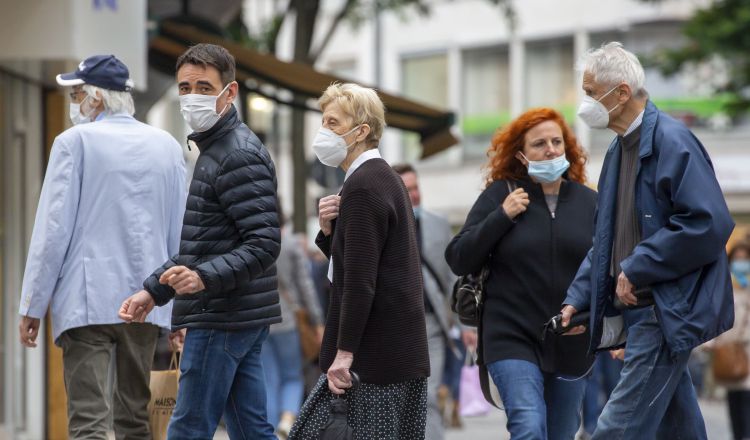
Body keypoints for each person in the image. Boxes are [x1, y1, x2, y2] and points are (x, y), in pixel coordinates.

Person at [561, 42, 735, 440]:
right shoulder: (618, 151)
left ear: (621, 93)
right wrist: (579, 297)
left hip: (664, 308)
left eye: (590, 92)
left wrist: (638, 265)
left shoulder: (672, 141)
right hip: (650, 309)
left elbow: (709, 223)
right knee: (679, 428)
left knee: (616, 427)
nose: (585, 102)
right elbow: (606, 240)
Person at [118, 43, 281, 439]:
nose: (192, 97)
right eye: (186, 87)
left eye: (205, 87)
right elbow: (204, 244)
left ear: (231, 91)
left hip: (221, 315)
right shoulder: (217, 150)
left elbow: (264, 243)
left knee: (189, 428)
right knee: (250, 428)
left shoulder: (235, 154)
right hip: (234, 312)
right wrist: (155, 290)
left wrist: (204, 278)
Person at [18, 55, 185, 439]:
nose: (75, 103)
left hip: (86, 299)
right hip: (147, 299)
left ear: (95, 97)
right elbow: (179, 234)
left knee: (89, 421)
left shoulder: (73, 143)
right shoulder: (166, 146)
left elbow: (51, 231)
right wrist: (179, 310)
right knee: (135, 419)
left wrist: (32, 304)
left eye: (76, 94)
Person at [288, 83, 429, 440]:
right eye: (324, 122)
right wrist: (329, 232)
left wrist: (344, 352)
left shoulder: (364, 186)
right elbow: (370, 262)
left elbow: (361, 281)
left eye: (333, 123)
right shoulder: (385, 178)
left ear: (361, 131)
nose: (324, 132)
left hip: (372, 358)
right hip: (397, 352)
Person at [445, 107, 596, 440]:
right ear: (521, 155)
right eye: (539, 144)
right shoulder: (502, 194)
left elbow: (605, 269)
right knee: (528, 425)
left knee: (562, 433)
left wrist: (596, 319)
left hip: (572, 339)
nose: (551, 149)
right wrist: (502, 216)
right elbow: (458, 257)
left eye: (557, 141)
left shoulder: (589, 202)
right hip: (510, 335)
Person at [393, 163, 458, 440]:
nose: (415, 195)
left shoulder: (438, 224)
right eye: (407, 190)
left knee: (428, 394)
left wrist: (465, 327)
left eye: (416, 187)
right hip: (392, 328)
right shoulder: (382, 225)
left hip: (430, 324)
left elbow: (453, 278)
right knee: (396, 400)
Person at [262, 222, 324, 438]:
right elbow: (305, 286)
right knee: (292, 375)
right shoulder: (290, 245)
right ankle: (287, 421)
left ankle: (269, 431)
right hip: (289, 319)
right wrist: (317, 321)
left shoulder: (253, 242)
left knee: (269, 379)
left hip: (261, 321)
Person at [712, 242, 750, 440]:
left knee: (745, 400)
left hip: (746, 352)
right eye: (738, 259)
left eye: (745, 259)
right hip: (729, 352)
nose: (742, 263)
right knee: (734, 401)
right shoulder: (726, 286)